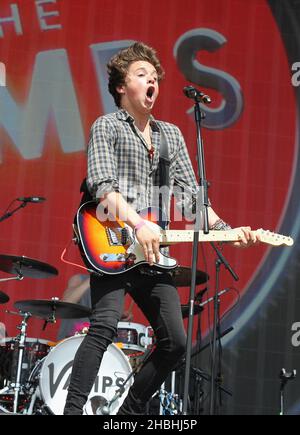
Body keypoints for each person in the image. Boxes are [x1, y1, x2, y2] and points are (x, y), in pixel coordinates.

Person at [63, 42, 259, 415]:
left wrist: (227, 230)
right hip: (112, 240)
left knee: (176, 343)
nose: (151, 81)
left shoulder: (171, 135)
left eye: (155, 78)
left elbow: (191, 199)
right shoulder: (107, 126)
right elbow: (102, 186)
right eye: (141, 75)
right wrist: (138, 224)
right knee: (104, 326)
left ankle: (127, 416)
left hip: (153, 252)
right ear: (121, 86)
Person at [57, 274, 133, 340]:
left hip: (101, 337)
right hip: (72, 338)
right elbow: (67, 302)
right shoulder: (79, 278)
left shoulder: (116, 286)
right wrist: (93, 278)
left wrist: (123, 317)